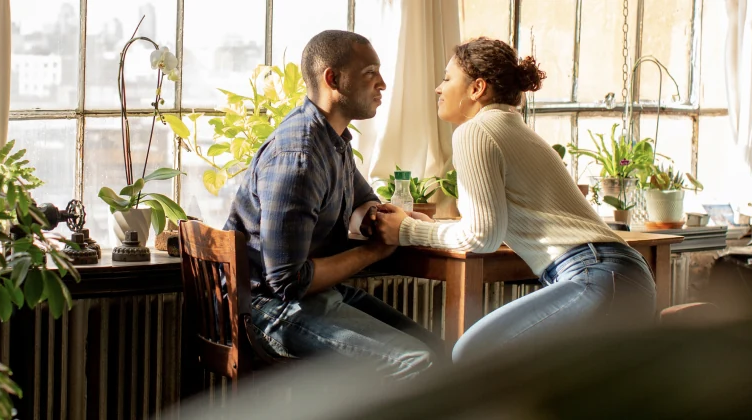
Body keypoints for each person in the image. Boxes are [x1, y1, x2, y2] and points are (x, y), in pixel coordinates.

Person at [374, 37, 657, 363]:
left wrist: (406, 231)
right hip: (620, 275)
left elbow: (483, 237)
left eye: (448, 78)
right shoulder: (514, 130)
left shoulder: (475, 131)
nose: (439, 88)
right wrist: (428, 225)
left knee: (472, 354)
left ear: (477, 88)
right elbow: (494, 222)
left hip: (596, 276)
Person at [224, 30, 441, 380]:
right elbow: (287, 281)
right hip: (269, 309)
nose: (383, 84)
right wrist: (375, 250)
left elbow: (362, 196)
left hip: (314, 297)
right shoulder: (300, 157)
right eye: (371, 73)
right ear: (333, 79)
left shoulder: (333, 139)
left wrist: (378, 216)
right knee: (416, 361)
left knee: (441, 352)